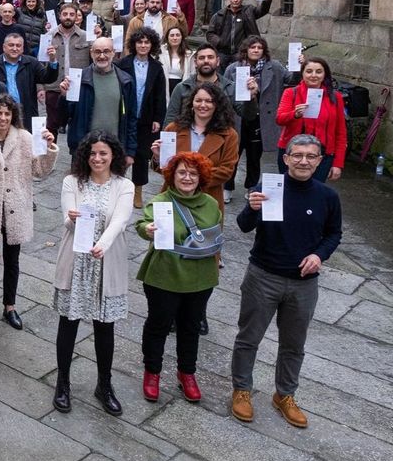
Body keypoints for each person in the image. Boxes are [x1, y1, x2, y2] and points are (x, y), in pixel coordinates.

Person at [231, 134, 342, 428]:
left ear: (319, 161)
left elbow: (334, 234)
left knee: (294, 344)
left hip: (304, 282)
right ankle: (242, 390)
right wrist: (252, 207)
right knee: (248, 337)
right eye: (298, 155)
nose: (304, 161)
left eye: (311, 156)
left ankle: (285, 394)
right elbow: (243, 226)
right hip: (263, 275)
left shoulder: (327, 196)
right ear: (286, 157)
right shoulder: (270, 187)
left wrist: (319, 255)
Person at [53, 132, 135, 417]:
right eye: (92, 154)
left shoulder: (124, 185)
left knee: (105, 326)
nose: (97, 159)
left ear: (113, 156)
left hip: (106, 259)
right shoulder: (72, 182)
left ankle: (105, 384)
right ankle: (62, 381)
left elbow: (121, 220)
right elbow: (66, 217)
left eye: (103, 153)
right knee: (68, 322)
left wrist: (101, 245)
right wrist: (71, 218)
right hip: (76, 259)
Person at [0, 95, 58, 330]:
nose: (3, 118)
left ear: (13, 116)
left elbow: (39, 171)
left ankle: (10, 306)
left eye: (7, 114)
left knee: (13, 260)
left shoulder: (26, 138)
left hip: (16, 207)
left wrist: (48, 149)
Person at [136, 152, 222, 403]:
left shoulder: (210, 204)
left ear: (201, 178)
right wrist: (147, 230)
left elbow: (215, 235)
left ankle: (187, 373)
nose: (187, 177)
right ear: (172, 176)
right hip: (165, 275)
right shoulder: (161, 201)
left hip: (201, 278)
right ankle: (152, 372)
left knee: (191, 327)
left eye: (193, 174)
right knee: (158, 325)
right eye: (182, 172)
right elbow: (143, 224)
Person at [154, 82, 239, 211]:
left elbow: (226, 171)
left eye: (209, 101)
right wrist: (158, 157)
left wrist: (189, 179)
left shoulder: (229, 135)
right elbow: (164, 169)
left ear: (217, 105)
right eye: (198, 100)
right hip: (174, 199)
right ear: (191, 104)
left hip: (207, 199)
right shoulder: (173, 128)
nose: (203, 105)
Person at [225, 36, 288, 193]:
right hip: (238, 118)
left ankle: (251, 187)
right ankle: (227, 187)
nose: (256, 50)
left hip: (260, 120)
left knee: (254, 157)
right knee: (233, 155)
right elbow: (224, 92)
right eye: (252, 47)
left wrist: (298, 65)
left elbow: (291, 78)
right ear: (246, 49)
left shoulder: (274, 67)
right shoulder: (233, 68)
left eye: (259, 48)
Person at [66, 37, 138, 163]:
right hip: (84, 149)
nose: (102, 56)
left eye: (106, 51)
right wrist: (63, 96)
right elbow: (65, 115)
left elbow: (131, 118)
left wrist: (130, 152)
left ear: (113, 53)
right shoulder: (79, 79)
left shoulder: (126, 81)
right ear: (91, 53)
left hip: (115, 149)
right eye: (97, 52)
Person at [275, 57, 346, 182]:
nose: (313, 75)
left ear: (325, 74)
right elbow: (280, 119)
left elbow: (340, 132)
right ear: (302, 73)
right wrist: (294, 114)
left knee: (315, 192)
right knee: (290, 191)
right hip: (293, 153)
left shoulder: (335, 97)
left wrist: (337, 163)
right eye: (309, 71)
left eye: (319, 72)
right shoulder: (291, 93)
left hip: (322, 155)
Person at [118, 28, 167, 208]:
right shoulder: (123, 64)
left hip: (146, 117)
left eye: (147, 42)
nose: (143, 45)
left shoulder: (156, 68)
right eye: (140, 42)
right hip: (125, 115)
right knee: (122, 151)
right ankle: (119, 189)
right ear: (134, 44)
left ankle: (137, 191)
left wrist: (158, 119)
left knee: (141, 154)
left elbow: (160, 96)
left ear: (152, 45)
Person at [0, 32, 58, 128]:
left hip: (25, 114)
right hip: (0, 114)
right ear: (4, 47)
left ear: (23, 48)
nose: (15, 48)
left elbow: (48, 78)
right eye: (11, 45)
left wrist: (52, 60)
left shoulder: (32, 63)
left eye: (18, 46)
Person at [42, 4, 90, 135]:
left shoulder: (86, 36)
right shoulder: (48, 36)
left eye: (71, 14)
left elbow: (96, 59)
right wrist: (40, 88)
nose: (68, 17)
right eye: (65, 14)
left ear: (77, 16)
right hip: (54, 87)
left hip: (79, 87)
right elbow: (41, 64)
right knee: (51, 126)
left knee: (79, 126)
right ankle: (50, 154)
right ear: (59, 15)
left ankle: (77, 154)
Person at [164, 44, 235, 127]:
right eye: (201, 58)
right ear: (195, 62)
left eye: (210, 57)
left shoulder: (230, 87)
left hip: (222, 137)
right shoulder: (182, 88)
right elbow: (170, 119)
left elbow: (247, 114)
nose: (206, 61)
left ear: (218, 61)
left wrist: (251, 97)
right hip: (188, 137)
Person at [208, 0, 272, 67]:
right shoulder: (219, 15)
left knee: (240, 75)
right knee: (220, 75)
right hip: (222, 52)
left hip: (240, 52)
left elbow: (262, 10)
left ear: (242, 0)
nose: (235, 0)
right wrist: (219, 42)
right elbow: (210, 34)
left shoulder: (249, 11)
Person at [159, 26, 194, 95]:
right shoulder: (160, 53)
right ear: (167, 38)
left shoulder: (189, 55)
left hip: (181, 88)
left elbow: (192, 75)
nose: (175, 38)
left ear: (182, 37)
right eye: (172, 35)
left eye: (177, 35)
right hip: (162, 87)